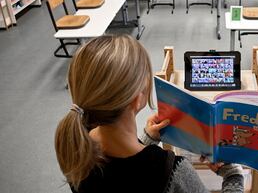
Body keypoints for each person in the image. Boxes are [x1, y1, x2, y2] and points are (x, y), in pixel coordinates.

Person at [54, 35, 244, 193]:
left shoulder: (73, 145)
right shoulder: (173, 171)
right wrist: (233, 175)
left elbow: (123, 173)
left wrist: (146, 140)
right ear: (138, 99)